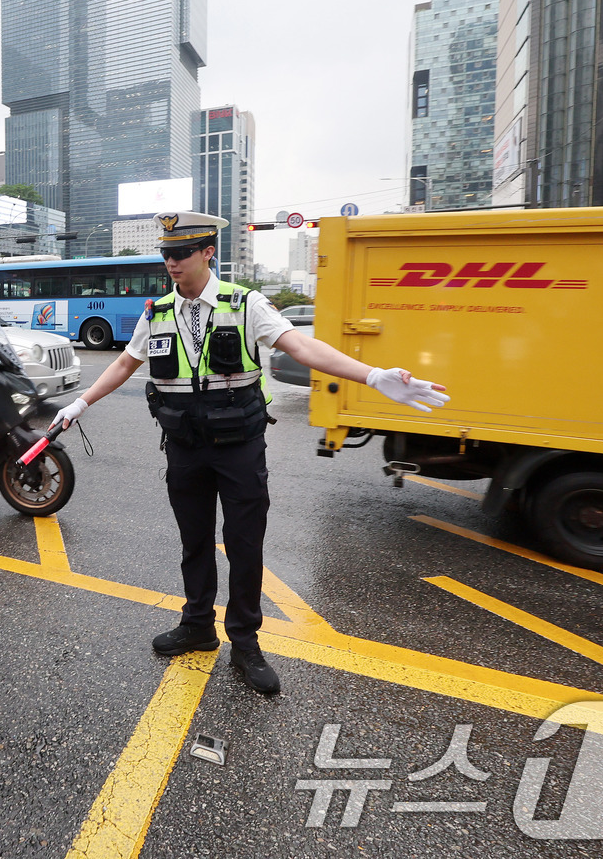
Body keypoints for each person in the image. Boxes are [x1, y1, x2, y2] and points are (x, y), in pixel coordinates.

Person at [52, 211, 449, 695]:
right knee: (194, 542)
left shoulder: (245, 303)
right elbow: (124, 363)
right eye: (166, 253)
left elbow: (300, 347)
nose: (172, 262)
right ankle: (197, 625)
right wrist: (80, 403)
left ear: (207, 253)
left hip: (238, 447)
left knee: (244, 545)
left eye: (182, 253)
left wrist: (371, 375)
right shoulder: (157, 311)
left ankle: (245, 643)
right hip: (184, 447)